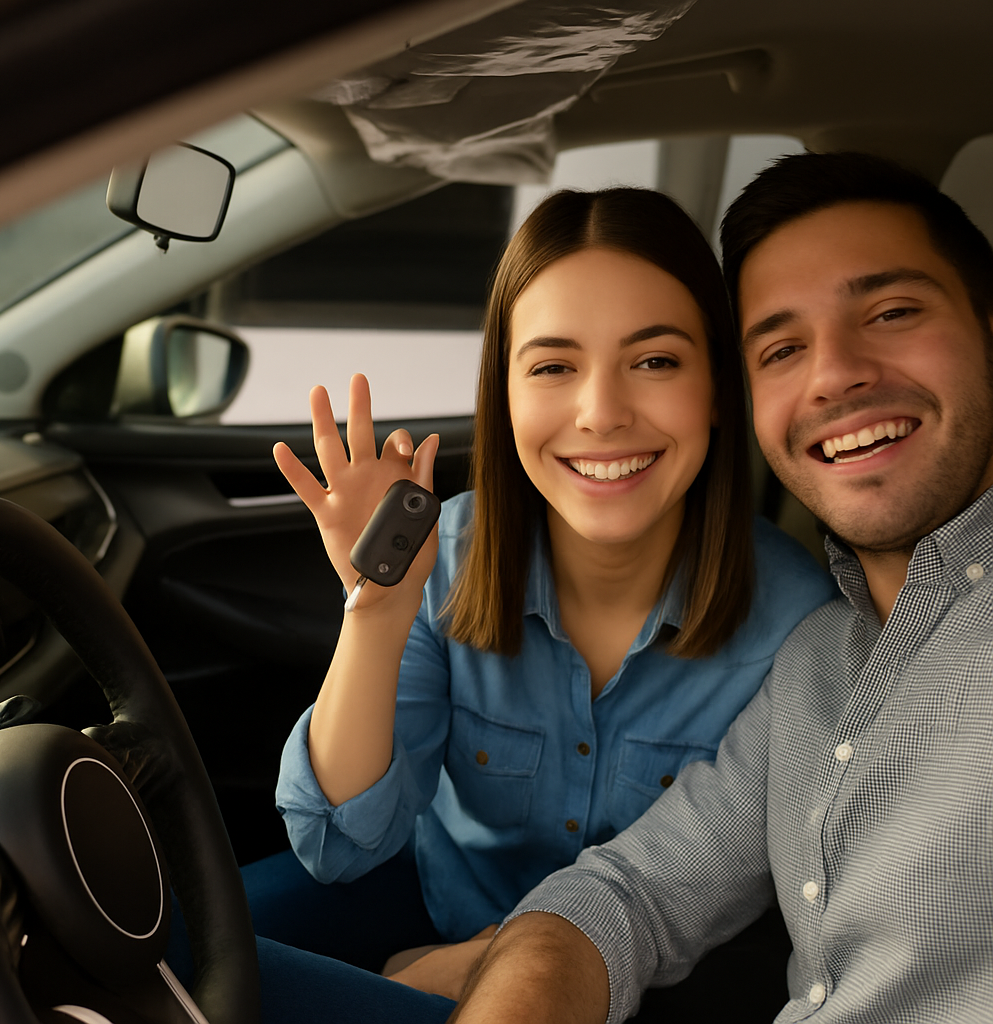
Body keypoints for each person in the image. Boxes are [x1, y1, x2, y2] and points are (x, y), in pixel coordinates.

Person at [440, 151, 993, 1023]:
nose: (833, 373)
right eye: (781, 347)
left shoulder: (787, 612)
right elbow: (629, 896)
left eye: (891, 312)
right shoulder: (818, 662)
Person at [245, 186, 834, 999]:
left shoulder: (801, 627)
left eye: (655, 361)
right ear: (505, 393)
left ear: (718, 390)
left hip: (648, 980)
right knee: (168, 948)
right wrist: (376, 607)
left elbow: (721, 910)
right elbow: (339, 844)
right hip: (443, 904)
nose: (601, 413)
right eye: (554, 366)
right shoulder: (446, 550)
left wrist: (475, 973)